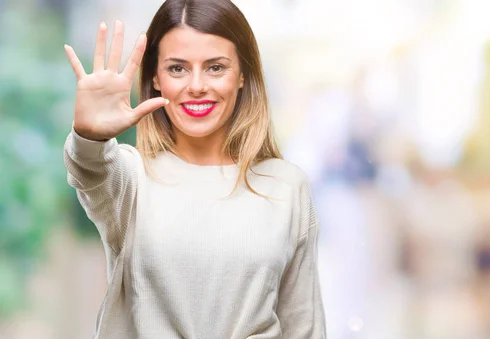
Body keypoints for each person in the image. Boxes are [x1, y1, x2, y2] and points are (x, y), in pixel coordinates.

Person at [62, 0, 326, 338]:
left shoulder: (287, 186)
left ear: (242, 75)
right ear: (156, 78)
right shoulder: (132, 178)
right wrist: (88, 136)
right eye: (177, 68)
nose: (197, 85)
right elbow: (89, 169)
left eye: (216, 67)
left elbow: (303, 326)